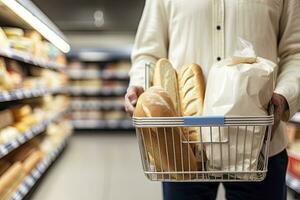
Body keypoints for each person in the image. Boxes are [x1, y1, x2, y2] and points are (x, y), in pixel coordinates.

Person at [125, 0, 300, 199]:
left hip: (260, 144)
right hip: (184, 147)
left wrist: (285, 95)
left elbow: (296, 52)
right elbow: (148, 53)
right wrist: (140, 84)